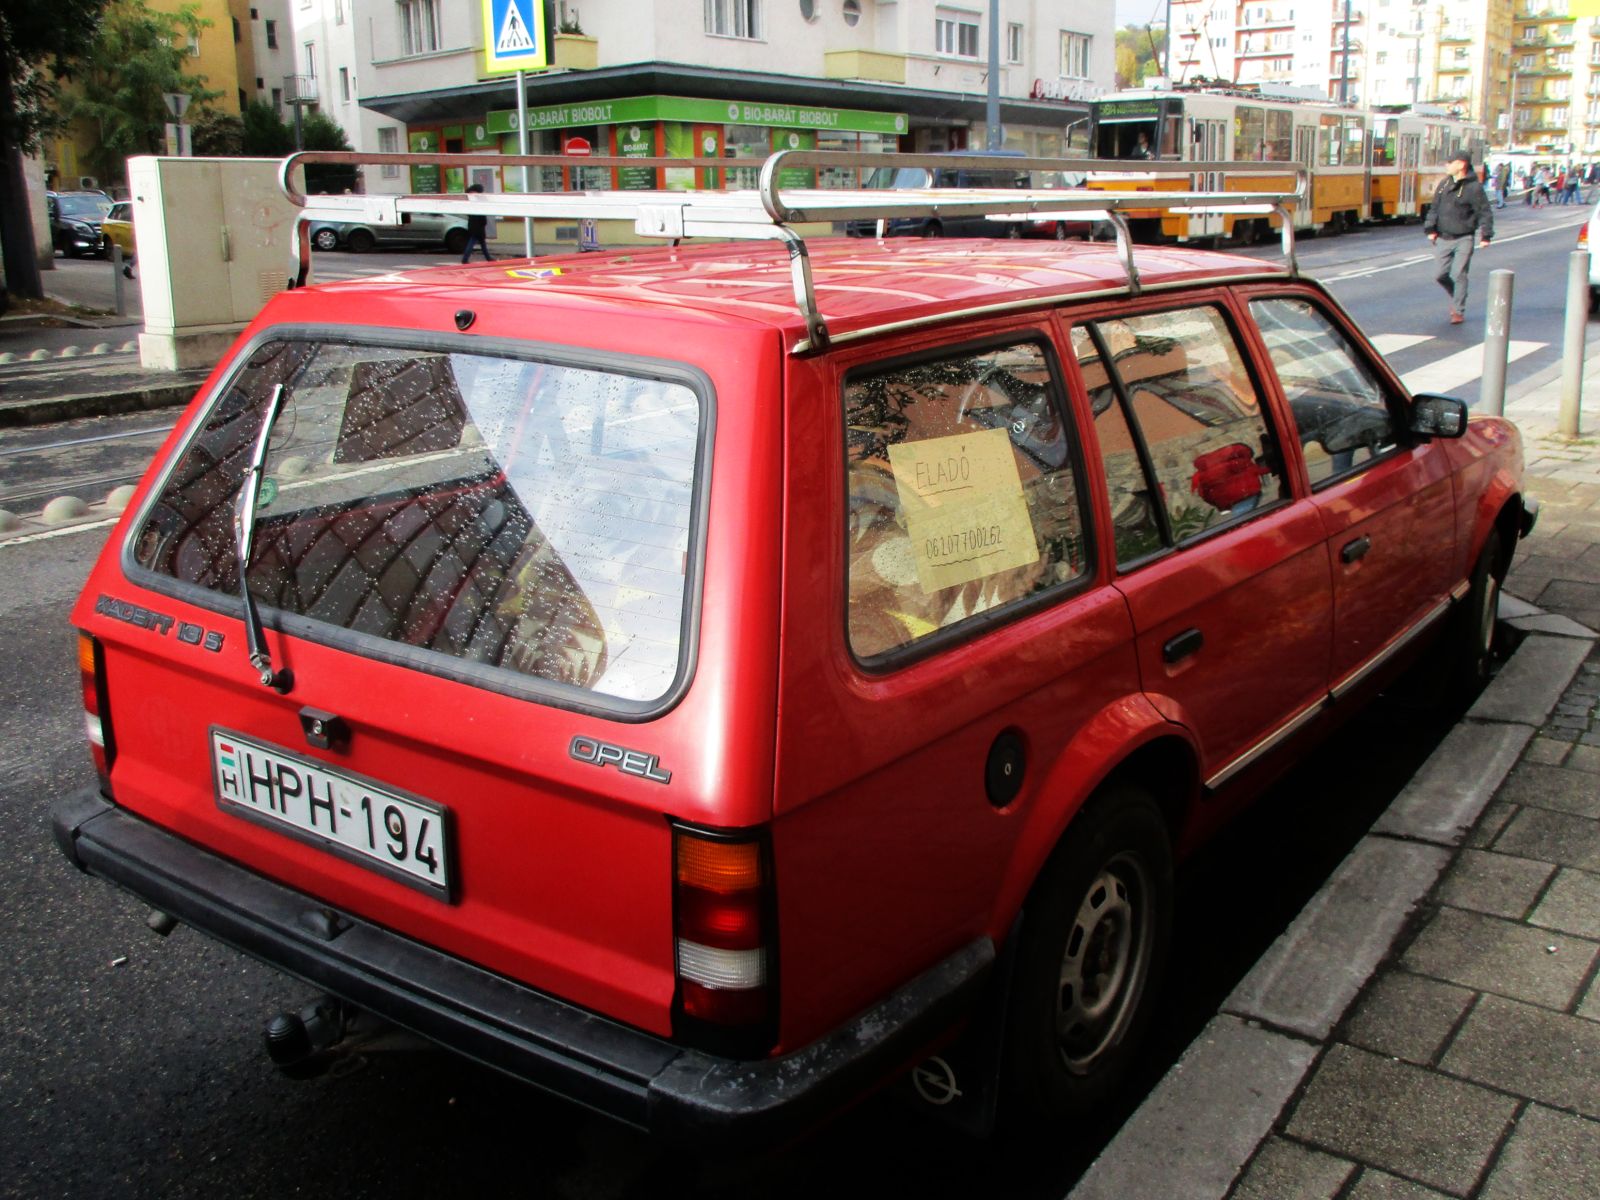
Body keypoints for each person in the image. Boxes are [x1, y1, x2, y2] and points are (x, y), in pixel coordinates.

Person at [1425, 152, 1493, 326]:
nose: (1447, 166)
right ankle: (1458, 295)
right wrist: (1430, 229)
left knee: (1459, 274)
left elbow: (1484, 212)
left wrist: (1486, 235)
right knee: (1439, 274)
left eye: (1450, 162)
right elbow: (1434, 209)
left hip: (1464, 237)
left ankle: (1458, 310)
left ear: (1461, 165)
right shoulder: (1444, 185)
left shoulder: (1473, 187)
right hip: (1443, 237)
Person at [461, 183, 493, 263]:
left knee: (481, 242)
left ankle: (488, 257)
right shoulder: (477, 198)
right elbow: (483, 210)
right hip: (479, 224)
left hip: (472, 223)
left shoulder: (469, 197)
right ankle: (465, 258)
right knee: (474, 241)